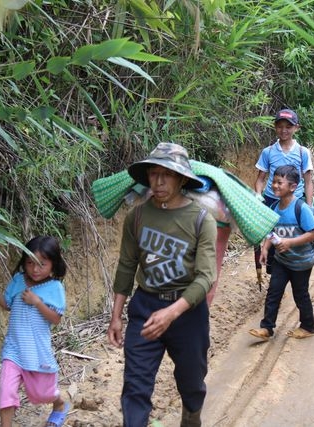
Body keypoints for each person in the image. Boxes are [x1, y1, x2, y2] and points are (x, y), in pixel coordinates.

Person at [107, 142, 217, 427]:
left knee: (192, 381)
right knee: (135, 385)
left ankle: (191, 417)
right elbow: (126, 266)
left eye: (166, 174)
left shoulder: (202, 220)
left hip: (187, 313)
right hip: (146, 307)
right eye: (153, 174)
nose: (158, 181)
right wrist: (116, 316)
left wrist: (172, 313)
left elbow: (206, 276)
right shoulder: (138, 216)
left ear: (181, 179)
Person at [0, 236, 69, 427]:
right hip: (13, 350)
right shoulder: (17, 280)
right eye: (30, 263)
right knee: (6, 391)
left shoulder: (55, 288)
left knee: (42, 394)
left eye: (42, 264)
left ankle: (59, 403)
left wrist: (37, 302)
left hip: (37, 351)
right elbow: (8, 305)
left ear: (53, 264)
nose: (35, 269)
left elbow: (56, 319)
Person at [249, 165, 314, 341]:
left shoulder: (301, 208)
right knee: (274, 291)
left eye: (280, 182)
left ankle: (308, 326)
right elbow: (271, 231)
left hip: (302, 262)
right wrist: (265, 248)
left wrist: (290, 242)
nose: (274, 186)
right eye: (273, 181)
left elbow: (313, 234)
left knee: (300, 294)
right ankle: (266, 328)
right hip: (282, 260)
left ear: (293, 186)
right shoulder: (274, 207)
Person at [253, 108, 314, 280]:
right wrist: (258, 195)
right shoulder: (268, 152)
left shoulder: (303, 152)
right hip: (272, 201)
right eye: (280, 126)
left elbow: (308, 181)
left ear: (296, 128)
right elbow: (260, 179)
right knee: (271, 237)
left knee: (295, 236)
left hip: (296, 202)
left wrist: (308, 206)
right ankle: (275, 275)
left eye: (288, 126)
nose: (284, 130)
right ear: (275, 127)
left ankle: (296, 271)